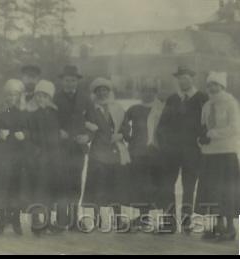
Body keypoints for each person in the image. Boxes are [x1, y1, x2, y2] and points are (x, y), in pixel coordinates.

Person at [156, 66, 209, 234]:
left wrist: (202, 141)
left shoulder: (202, 98)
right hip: (171, 152)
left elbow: (207, 124)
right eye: (179, 78)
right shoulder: (173, 99)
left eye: (185, 77)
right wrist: (165, 145)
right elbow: (162, 125)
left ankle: (186, 222)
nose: (182, 81)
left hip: (192, 152)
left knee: (188, 187)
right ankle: (169, 222)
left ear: (192, 78)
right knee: (167, 185)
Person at [195, 72, 240, 241]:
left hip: (226, 152)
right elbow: (203, 126)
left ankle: (230, 227)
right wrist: (201, 139)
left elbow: (235, 128)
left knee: (226, 191)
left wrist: (212, 134)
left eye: (215, 84)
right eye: (209, 85)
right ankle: (217, 226)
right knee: (211, 191)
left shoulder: (230, 103)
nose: (211, 88)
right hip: (209, 153)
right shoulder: (207, 105)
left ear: (222, 86)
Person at [82, 77, 130, 231]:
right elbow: (87, 129)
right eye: (99, 91)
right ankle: (97, 219)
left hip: (114, 152)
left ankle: (117, 218)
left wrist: (121, 135)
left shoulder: (117, 108)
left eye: (105, 90)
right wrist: (87, 132)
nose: (102, 93)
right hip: (98, 152)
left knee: (115, 185)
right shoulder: (91, 110)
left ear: (109, 92)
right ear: (95, 93)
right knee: (97, 185)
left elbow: (125, 127)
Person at [120, 78, 165, 231]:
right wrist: (128, 137)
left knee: (153, 184)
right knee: (139, 184)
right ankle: (143, 216)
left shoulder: (161, 108)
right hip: (137, 152)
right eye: (144, 90)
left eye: (151, 90)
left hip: (155, 153)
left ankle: (151, 216)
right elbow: (123, 124)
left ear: (155, 92)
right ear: (140, 92)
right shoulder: (134, 108)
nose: (147, 93)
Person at [0, 79, 31, 236]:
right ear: (4, 95)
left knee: (16, 185)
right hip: (2, 152)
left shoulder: (25, 111)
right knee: (1, 185)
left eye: (15, 94)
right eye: (9, 94)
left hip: (19, 153)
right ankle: (1, 219)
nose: (11, 97)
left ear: (19, 96)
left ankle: (16, 219)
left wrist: (25, 134)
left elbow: (30, 130)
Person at [53, 65, 90, 231]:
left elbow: (93, 122)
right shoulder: (54, 98)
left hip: (78, 149)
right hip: (60, 149)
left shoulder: (85, 98)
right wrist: (57, 131)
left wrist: (88, 136)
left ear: (77, 81)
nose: (70, 83)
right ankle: (61, 220)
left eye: (73, 80)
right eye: (67, 80)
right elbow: (48, 121)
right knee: (61, 182)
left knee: (76, 183)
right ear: (62, 81)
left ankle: (75, 220)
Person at [27, 80, 64, 236]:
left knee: (50, 191)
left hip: (53, 157)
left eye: (45, 96)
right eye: (39, 96)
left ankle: (47, 221)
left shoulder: (54, 114)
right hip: (39, 158)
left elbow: (57, 133)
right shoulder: (31, 114)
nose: (41, 99)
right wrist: (35, 151)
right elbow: (27, 136)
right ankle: (36, 223)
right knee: (37, 190)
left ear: (50, 98)